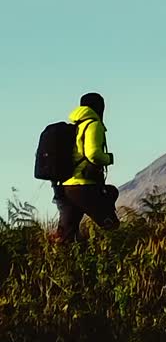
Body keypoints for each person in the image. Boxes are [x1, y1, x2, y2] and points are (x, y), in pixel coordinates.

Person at [54, 92, 120, 244]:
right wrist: (108, 158)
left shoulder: (75, 126)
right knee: (111, 227)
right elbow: (93, 154)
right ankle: (109, 257)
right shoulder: (93, 125)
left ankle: (61, 263)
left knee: (66, 237)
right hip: (84, 186)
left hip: (66, 187)